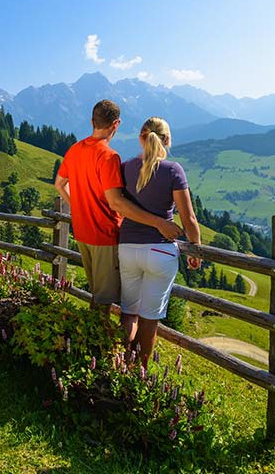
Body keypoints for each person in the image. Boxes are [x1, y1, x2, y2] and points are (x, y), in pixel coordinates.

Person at [54, 101, 183, 310]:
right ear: (116, 124)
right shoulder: (108, 156)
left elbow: (59, 184)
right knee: (104, 300)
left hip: (82, 233)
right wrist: (159, 223)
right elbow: (116, 202)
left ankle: (93, 338)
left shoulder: (75, 149)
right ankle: (96, 341)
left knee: (97, 293)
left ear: (92, 121)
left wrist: (78, 209)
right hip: (105, 234)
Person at [118, 116, 201, 362]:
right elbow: (189, 218)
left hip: (128, 247)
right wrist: (195, 250)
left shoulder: (126, 167)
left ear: (141, 138)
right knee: (149, 318)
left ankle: (118, 363)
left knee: (128, 312)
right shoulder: (173, 170)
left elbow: (121, 206)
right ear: (167, 140)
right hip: (160, 251)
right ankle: (139, 373)